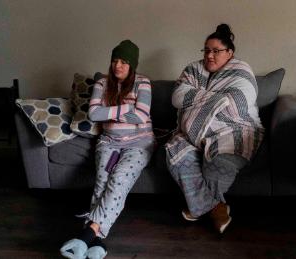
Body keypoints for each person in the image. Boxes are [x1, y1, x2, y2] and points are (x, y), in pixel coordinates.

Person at [165, 24, 264, 234]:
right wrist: (215, 100)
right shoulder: (193, 69)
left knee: (219, 164)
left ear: (230, 53)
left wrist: (197, 99)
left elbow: (239, 102)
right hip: (190, 133)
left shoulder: (241, 70)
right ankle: (215, 207)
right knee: (176, 153)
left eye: (216, 51)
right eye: (206, 50)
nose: (209, 55)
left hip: (232, 128)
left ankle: (199, 206)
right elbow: (177, 97)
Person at [60, 40, 154, 259]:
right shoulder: (102, 83)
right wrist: (128, 108)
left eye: (123, 61)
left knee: (119, 178)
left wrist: (110, 111)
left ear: (133, 65)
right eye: (114, 60)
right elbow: (94, 114)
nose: (117, 66)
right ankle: (97, 244)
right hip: (109, 142)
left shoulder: (143, 83)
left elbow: (142, 116)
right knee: (102, 181)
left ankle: (87, 236)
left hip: (139, 143)